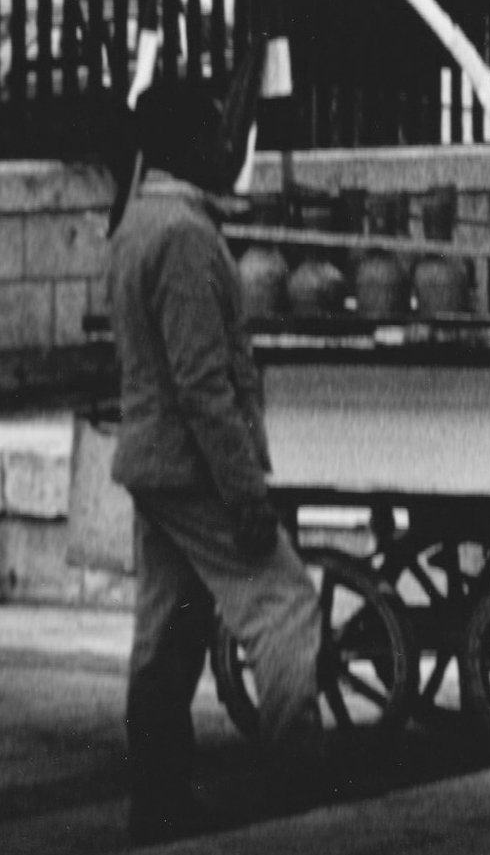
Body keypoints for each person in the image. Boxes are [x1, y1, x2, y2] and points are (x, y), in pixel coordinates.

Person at [107, 82, 322, 844]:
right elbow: (204, 385)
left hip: (151, 463)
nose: (223, 146)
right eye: (211, 133)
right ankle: (297, 776)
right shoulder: (188, 237)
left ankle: (157, 794)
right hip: (194, 468)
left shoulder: (137, 224)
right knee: (287, 604)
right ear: (187, 146)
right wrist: (245, 492)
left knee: (167, 632)